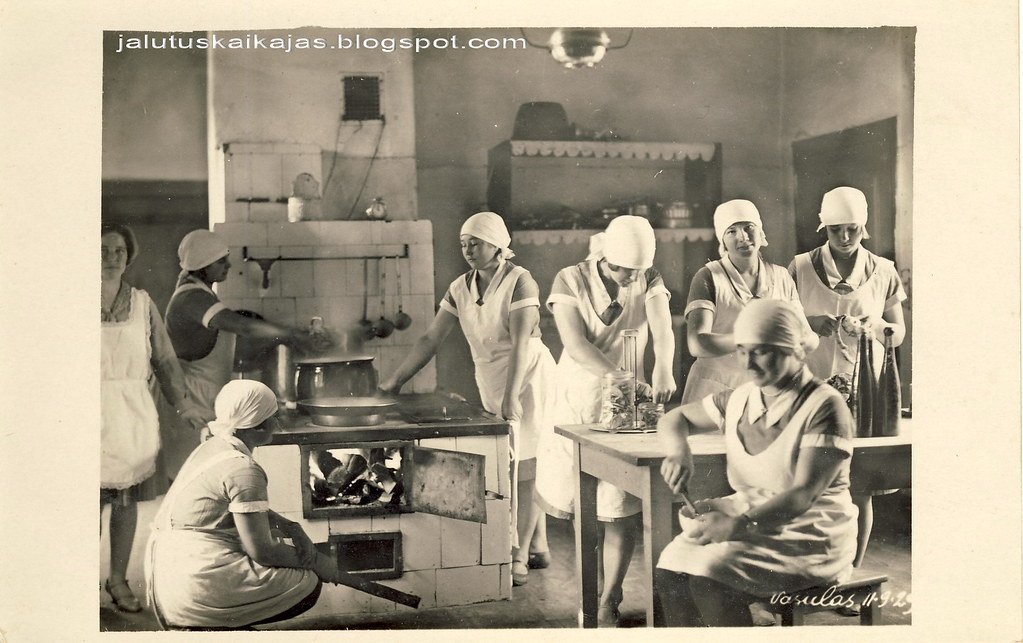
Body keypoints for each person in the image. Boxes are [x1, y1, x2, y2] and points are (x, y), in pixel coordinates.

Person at [654, 299, 858, 627]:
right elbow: (674, 419)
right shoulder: (741, 398)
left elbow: (802, 495)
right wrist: (679, 452)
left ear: (794, 350)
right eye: (741, 350)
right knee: (670, 570)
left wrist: (739, 525)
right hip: (752, 517)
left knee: (709, 578)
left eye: (761, 352)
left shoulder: (825, 407)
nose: (748, 363)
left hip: (810, 532)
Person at [379, 212, 555, 587]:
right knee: (511, 459)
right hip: (491, 377)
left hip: (528, 377)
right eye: (463, 244)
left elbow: (521, 344)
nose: (468, 250)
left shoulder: (520, 280)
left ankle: (519, 553)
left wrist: (511, 396)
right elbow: (431, 338)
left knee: (527, 464)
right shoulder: (460, 287)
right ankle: (538, 543)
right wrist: (393, 382)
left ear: (497, 244)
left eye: (475, 243)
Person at [534, 215, 676, 627]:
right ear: (607, 260)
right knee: (584, 507)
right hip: (578, 399)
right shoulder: (570, 279)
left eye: (638, 272)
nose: (632, 279)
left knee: (621, 504)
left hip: (628, 403)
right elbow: (576, 345)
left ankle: (609, 598)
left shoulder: (648, 277)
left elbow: (663, 328)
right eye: (625, 272)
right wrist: (624, 378)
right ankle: (590, 592)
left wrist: (663, 367)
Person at [145, 380, 343, 630]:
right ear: (257, 426)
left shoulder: (213, 445)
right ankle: (213, 626)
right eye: (273, 417)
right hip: (195, 583)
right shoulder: (244, 469)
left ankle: (220, 625)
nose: (277, 423)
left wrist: (291, 527)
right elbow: (263, 552)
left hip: (172, 575)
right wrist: (316, 561)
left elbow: (238, 508)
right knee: (308, 582)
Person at [788, 186, 908, 571]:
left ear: (864, 226)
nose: (843, 237)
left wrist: (878, 327)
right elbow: (783, 322)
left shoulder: (884, 270)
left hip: (863, 390)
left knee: (859, 485)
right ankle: (809, 572)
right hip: (810, 386)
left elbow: (899, 332)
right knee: (808, 482)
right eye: (835, 229)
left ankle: (850, 572)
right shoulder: (799, 267)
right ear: (823, 227)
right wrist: (809, 322)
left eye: (852, 229)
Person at [101, 223, 212, 613]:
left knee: (125, 499)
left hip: (132, 414)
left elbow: (163, 360)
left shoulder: (141, 303)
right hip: (84, 412)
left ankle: (117, 579)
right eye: (103, 250)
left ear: (128, 256)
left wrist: (184, 405)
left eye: (118, 250)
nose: (111, 257)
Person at [159, 229, 327, 481]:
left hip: (203, 395)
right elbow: (243, 326)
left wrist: (284, 339)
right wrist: (294, 334)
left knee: (206, 477)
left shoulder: (201, 293)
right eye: (221, 261)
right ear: (203, 266)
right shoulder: (191, 298)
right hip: (189, 398)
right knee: (191, 478)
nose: (228, 265)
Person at [681, 199, 818, 405]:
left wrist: (798, 343)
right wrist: (754, 339)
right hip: (714, 389)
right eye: (732, 231)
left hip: (768, 389)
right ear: (722, 241)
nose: (743, 237)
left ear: (760, 231)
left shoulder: (781, 276)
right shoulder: (708, 277)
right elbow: (697, 344)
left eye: (748, 227)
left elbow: (808, 336)